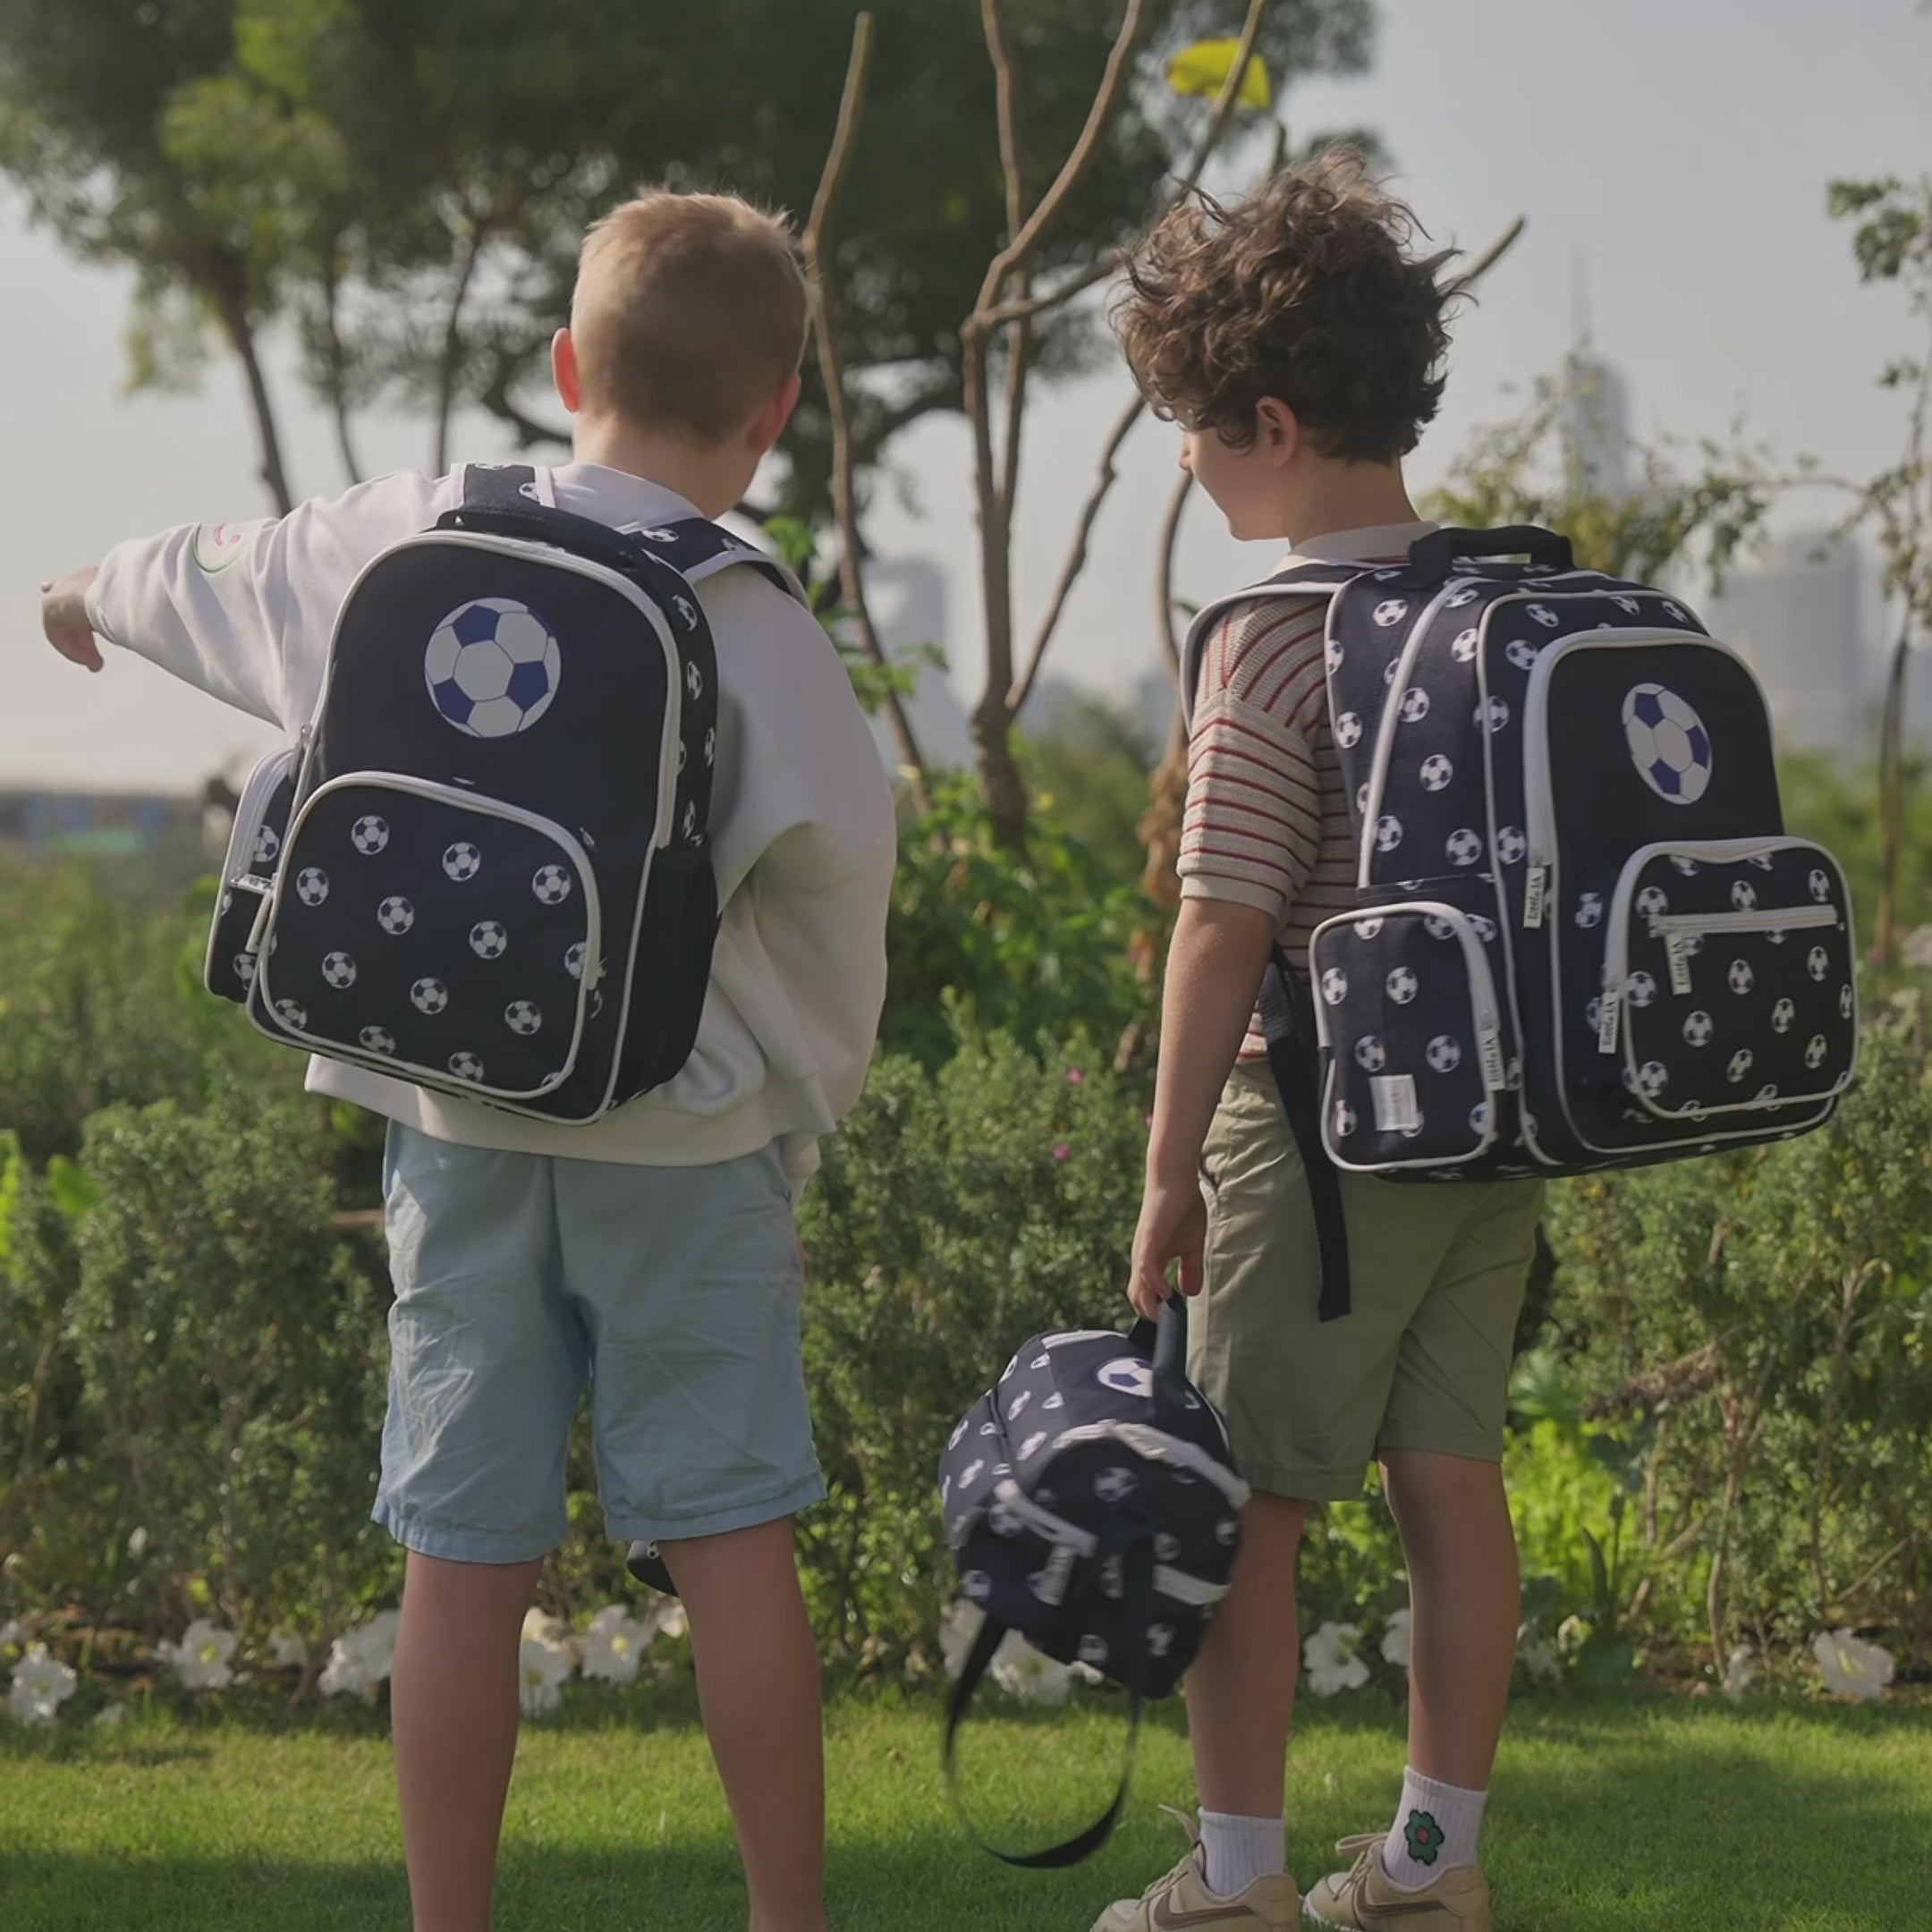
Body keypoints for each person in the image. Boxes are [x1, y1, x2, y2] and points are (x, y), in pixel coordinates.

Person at [40, 189, 897, 1932]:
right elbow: (838, 893)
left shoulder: (405, 529)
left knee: (462, 1559)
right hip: (692, 1147)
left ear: (567, 362)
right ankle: (789, 1921)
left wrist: (84, 595)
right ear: (777, 409)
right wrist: (796, 1119)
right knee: (734, 1549)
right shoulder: (754, 617)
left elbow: (217, 575)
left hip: (453, 1133)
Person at [1097, 153, 1542, 1932]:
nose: (1188, 461)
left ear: (1267, 420)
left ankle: (1240, 1876)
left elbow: (1222, 922)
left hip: (1314, 1135)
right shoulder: (1496, 606)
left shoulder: (1274, 637)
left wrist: (1161, 1172)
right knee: (1454, 1486)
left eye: (1192, 427)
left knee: (1246, 1511)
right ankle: (1435, 1865)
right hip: (1491, 1131)